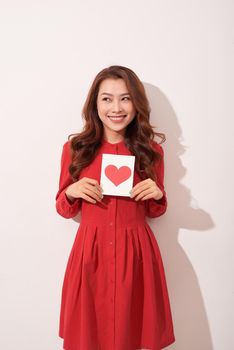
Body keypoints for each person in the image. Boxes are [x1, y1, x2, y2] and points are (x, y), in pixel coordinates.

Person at [55, 65, 175, 350]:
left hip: (136, 253)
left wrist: (157, 193)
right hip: (90, 251)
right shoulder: (75, 149)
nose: (116, 108)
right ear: (94, 104)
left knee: (132, 334)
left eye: (125, 98)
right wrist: (72, 191)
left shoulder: (151, 151)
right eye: (107, 98)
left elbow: (155, 212)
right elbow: (63, 207)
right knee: (88, 336)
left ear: (136, 103)